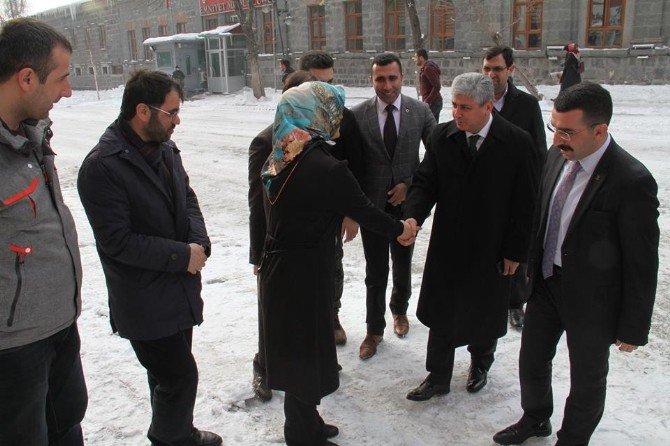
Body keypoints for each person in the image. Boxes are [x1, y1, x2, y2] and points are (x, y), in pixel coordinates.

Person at [493, 82, 659, 446]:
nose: (557, 139)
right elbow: (541, 216)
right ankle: (535, 418)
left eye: (567, 131)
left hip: (594, 301)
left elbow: (642, 262)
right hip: (547, 285)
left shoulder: (632, 181)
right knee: (532, 361)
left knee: (587, 378)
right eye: (555, 128)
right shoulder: (558, 155)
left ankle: (572, 440)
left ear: (600, 130)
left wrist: (633, 327)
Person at [259, 81, 416, 446]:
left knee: (301, 346)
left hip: (282, 268)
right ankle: (301, 435)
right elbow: (363, 210)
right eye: (333, 110)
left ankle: (307, 421)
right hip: (306, 271)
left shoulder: (285, 150)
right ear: (318, 114)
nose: (340, 120)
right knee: (305, 351)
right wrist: (402, 228)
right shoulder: (324, 166)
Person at [77, 70, 221, 446]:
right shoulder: (102, 166)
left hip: (177, 287)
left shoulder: (165, 148)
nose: (178, 120)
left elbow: (187, 199)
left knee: (165, 376)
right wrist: (180, 256)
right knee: (179, 376)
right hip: (143, 298)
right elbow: (117, 241)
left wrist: (198, 243)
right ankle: (172, 438)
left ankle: (176, 431)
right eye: (171, 112)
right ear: (143, 111)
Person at [403, 72, 537, 401]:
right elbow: (425, 183)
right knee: (443, 313)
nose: (457, 113)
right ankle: (437, 377)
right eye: (453, 106)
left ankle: (480, 365)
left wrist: (515, 251)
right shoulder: (441, 137)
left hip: (493, 246)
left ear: (488, 107)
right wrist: (412, 217)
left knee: (486, 310)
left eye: (465, 107)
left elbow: (527, 202)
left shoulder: (516, 142)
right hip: (449, 244)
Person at [0, 18, 88, 446]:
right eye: (63, 77)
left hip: (59, 325)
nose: (68, 91)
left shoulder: (32, 134)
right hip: (13, 350)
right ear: (26, 78)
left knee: (68, 425)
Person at [351, 53, 436, 360]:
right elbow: (350, 163)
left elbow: (436, 157)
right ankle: (374, 330)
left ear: (402, 78)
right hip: (371, 209)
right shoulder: (357, 114)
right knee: (375, 272)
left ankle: (400, 311)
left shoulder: (420, 111)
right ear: (371, 79)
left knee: (402, 266)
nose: (386, 85)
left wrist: (409, 183)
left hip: (406, 210)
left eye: (392, 78)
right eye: (380, 79)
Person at [248, 70, 315, 402]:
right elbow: (256, 203)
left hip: (310, 247)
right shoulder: (266, 142)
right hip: (275, 249)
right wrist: (258, 254)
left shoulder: (315, 139)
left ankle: (304, 369)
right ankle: (264, 367)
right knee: (270, 314)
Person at [299, 50, 367, 347]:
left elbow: (358, 164)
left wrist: (352, 213)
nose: (324, 91)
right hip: (295, 215)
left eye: (329, 83)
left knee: (332, 266)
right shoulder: (288, 117)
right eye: (317, 82)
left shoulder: (344, 117)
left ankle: (332, 316)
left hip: (331, 214)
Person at [482, 45, 547, 329]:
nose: (491, 74)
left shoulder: (526, 105)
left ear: (510, 70)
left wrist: (535, 188)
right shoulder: (475, 99)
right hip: (482, 188)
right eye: (486, 68)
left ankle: (514, 302)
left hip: (516, 188)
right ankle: (484, 295)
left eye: (497, 69)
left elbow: (539, 150)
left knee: (518, 245)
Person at [415, 48, 442, 122]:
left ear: (421, 58)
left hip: (433, 103)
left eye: (416, 57)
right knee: (432, 127)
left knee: (429, 127)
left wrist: (428, 101)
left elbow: (437, 86)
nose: (415, 59)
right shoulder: (426, 68)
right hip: (433, 103)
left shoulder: (428, 68)